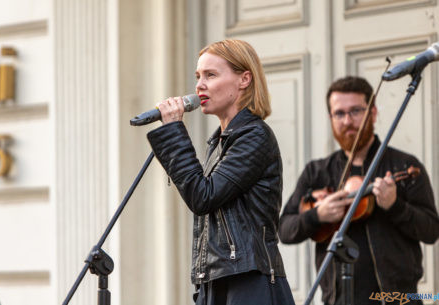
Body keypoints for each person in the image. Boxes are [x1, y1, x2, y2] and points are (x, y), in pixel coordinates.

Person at [146, 39, 295, 305]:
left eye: (210, 75)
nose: (199, 85)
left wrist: (173, 133)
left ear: (244, 79)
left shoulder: (255, 136)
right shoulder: (220, 142)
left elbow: (203, 197)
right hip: (218, 280)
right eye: (198, 76)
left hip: (249, 282)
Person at [278, 76, 439, 305]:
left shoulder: (403, 165)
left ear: (372, 113)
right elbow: (284, 229)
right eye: (339, 114)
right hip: (339, 301)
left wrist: (395, 206)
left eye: (355, 111)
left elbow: (431, 230)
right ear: (331, 118)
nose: (347, 121)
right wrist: (317, 215)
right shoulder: (317, 173)